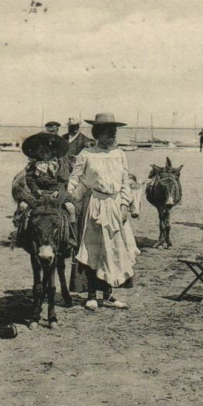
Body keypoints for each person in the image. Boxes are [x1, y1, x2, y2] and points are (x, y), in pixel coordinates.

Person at [67, 113, 139, 310]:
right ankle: (91, 294)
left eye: (114, 132)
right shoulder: (87, 155)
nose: (113, 136)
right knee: (93, 250)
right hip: (95, 206)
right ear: (98, 134)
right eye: (108, 132)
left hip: (116, 207)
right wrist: (69, 199)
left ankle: (108, 295)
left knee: (114, 251)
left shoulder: (120, 155)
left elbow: (125, 182)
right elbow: (76, 180)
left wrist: (125, 205)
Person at [11, 132, 76, 247]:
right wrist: (36, 190)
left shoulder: (59, 165)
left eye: (47, 151)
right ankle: (21, 234)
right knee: (22, 206)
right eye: (41, 152)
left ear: (53, 152)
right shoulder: (34, 165)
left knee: (71, 208)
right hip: (38, 194)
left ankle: (72, 235)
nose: (44, 154)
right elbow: (30, 179)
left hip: (56, 193)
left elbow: (63, 180)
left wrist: (58, 190)